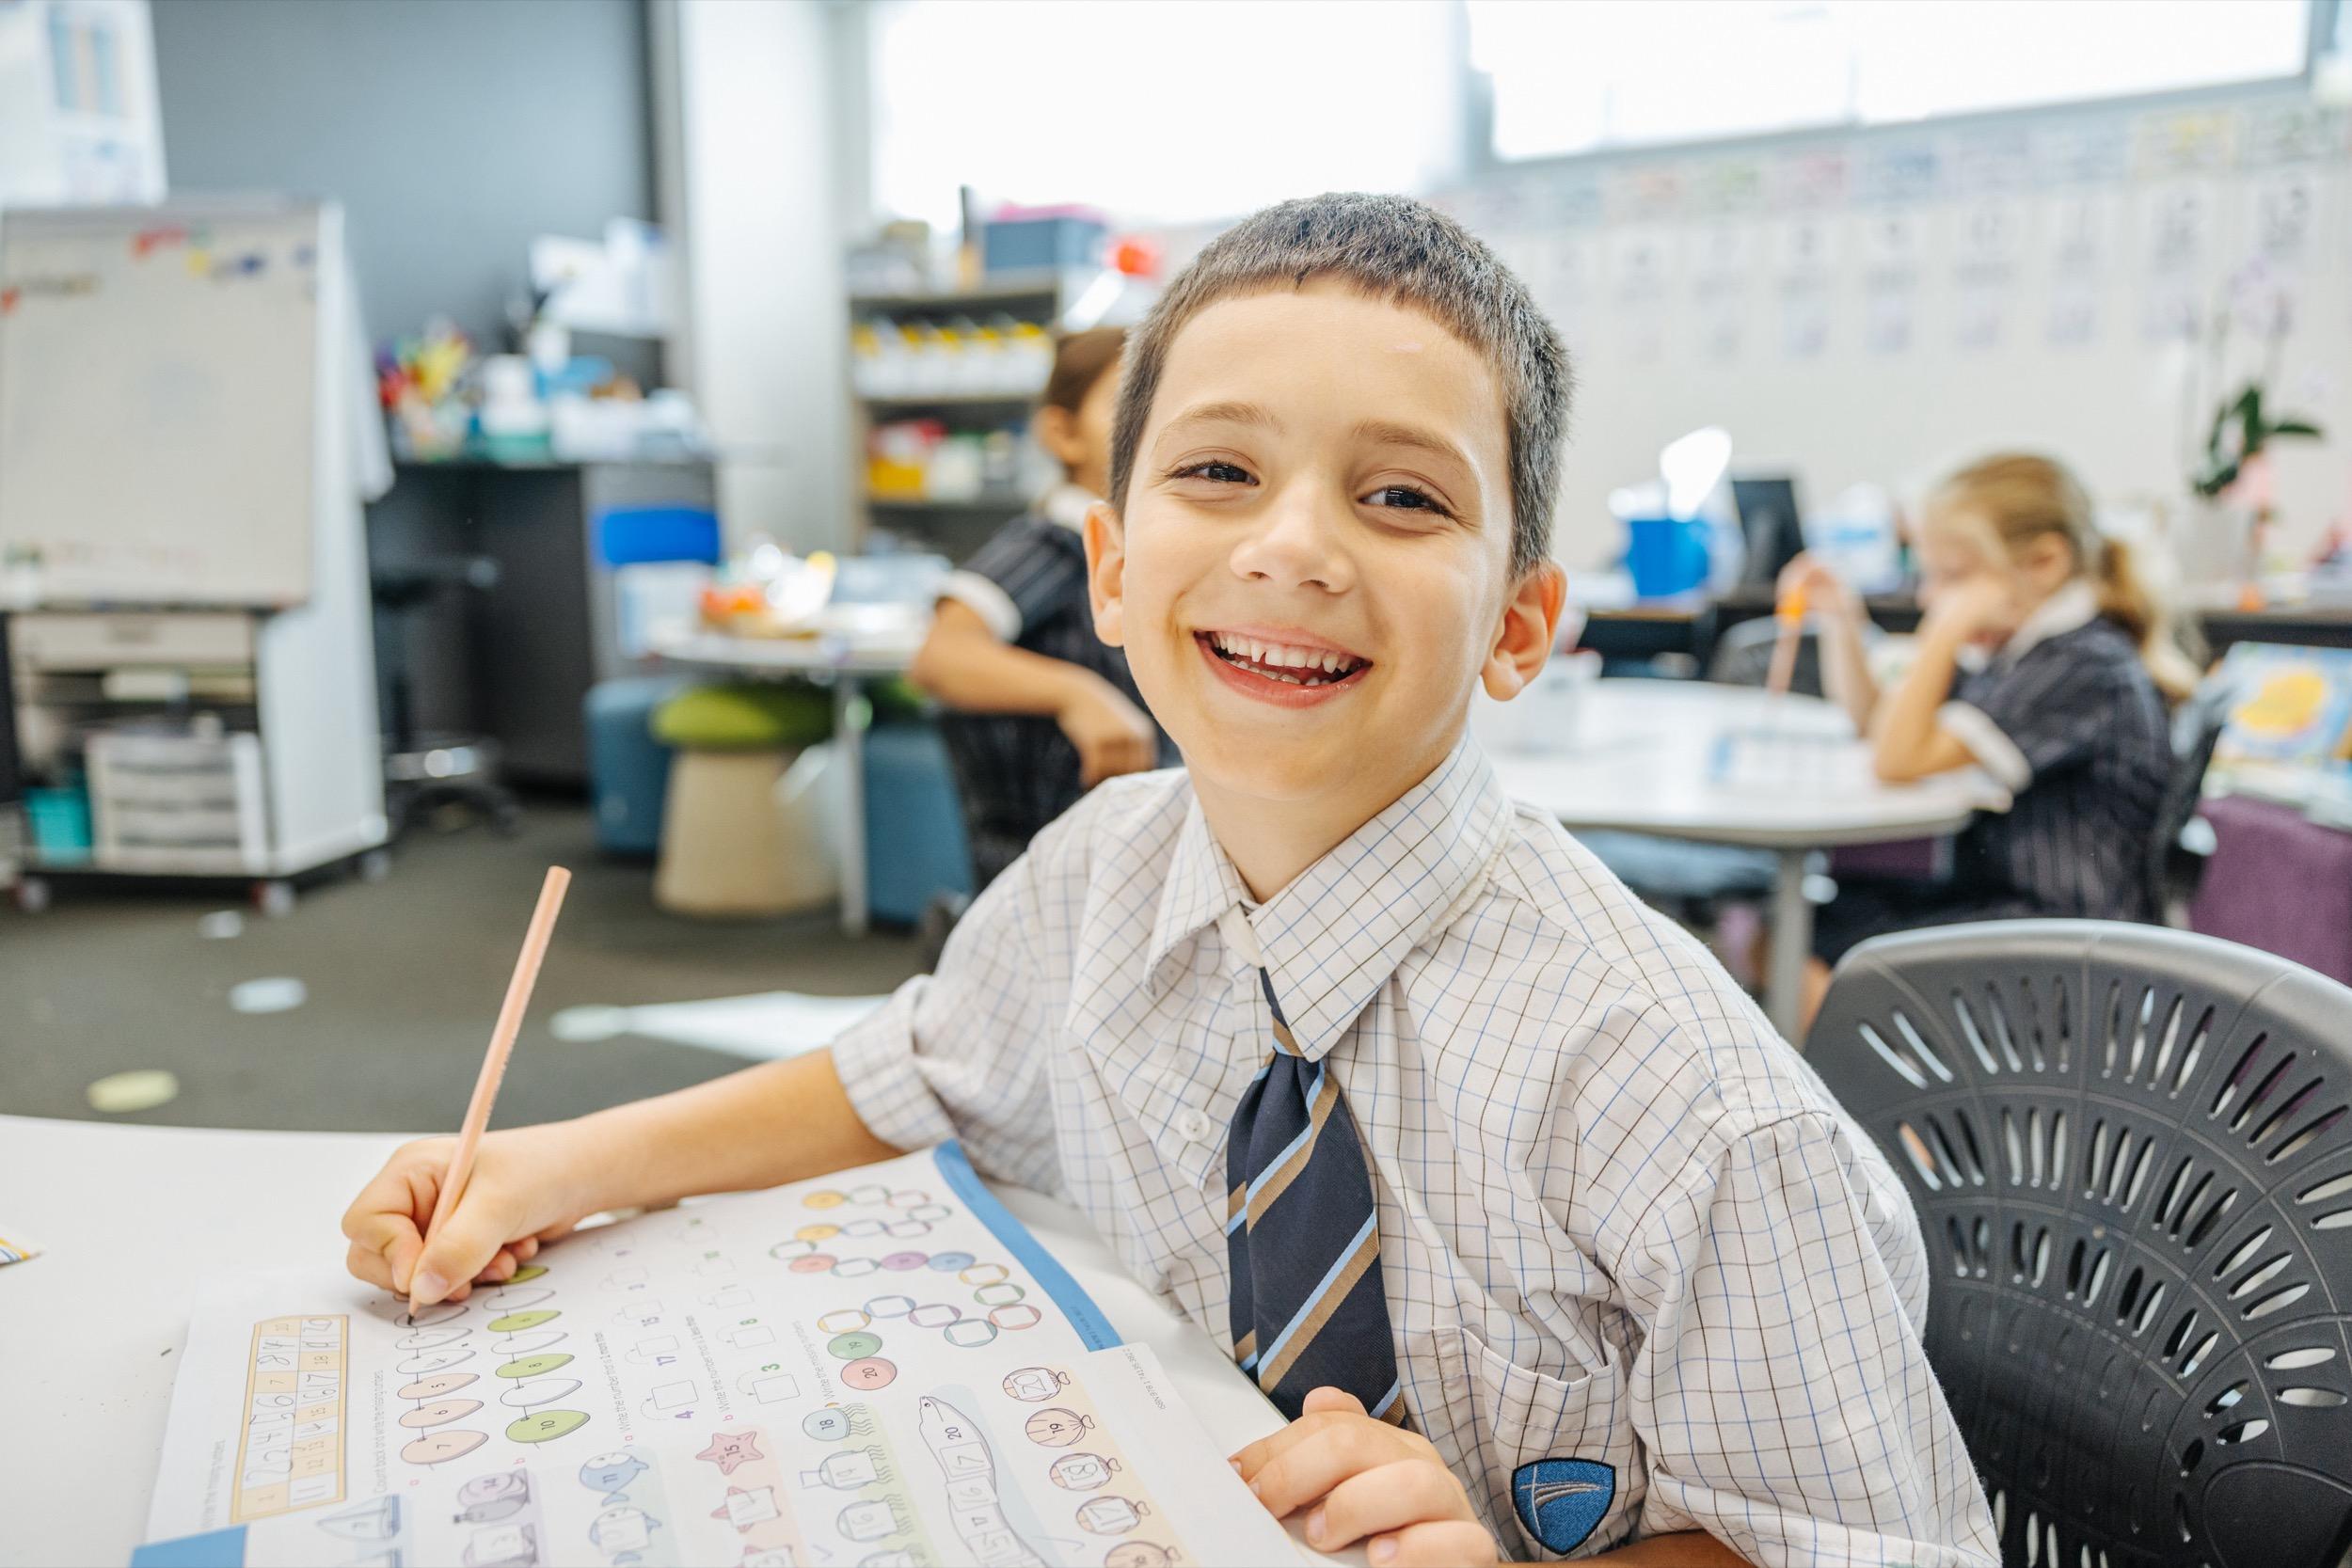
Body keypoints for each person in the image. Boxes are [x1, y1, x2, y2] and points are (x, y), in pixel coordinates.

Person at [342, 195, 1995, 1568]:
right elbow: (913, 1071)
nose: (1293, 544)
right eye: (1219, 472)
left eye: (1403, 495)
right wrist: (551, 1167)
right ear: (1115, 573)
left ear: (1517, 624)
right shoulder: (1103, 872)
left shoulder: (1683, 1103)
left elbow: (1853, 1547)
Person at [1786, 451, 2190, 1025]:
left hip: (2066, 930)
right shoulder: (2018, 650)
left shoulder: (2081, 664)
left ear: (2046, 562)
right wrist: (1842, 622)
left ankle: (1881, 1113)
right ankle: (1878, 1106)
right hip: (2012, 902)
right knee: (1808, 925)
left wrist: (1945, 627)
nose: (1930, 595)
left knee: (1831, 958)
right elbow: (1881, 730)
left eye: (1951, 577)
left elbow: (1896, 761)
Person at [909, 325, 1170, 890]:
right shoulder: (1050, 543)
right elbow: (941, 655)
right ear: (1063, 432)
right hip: (1049, 873)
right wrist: (1078, 693)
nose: (1155, 424)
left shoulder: (1148, 550)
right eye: (1130, 401)